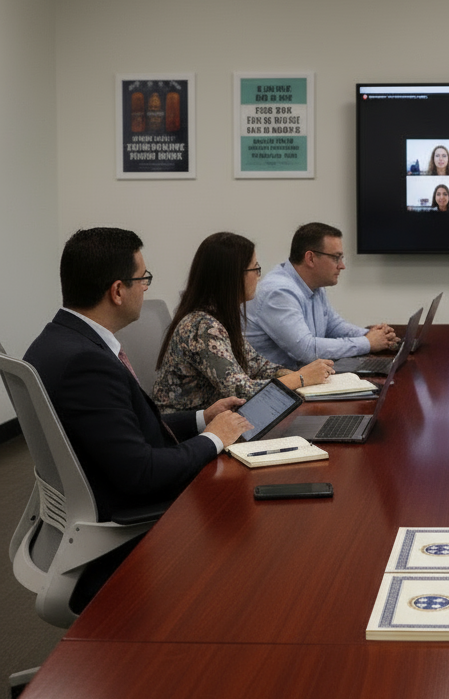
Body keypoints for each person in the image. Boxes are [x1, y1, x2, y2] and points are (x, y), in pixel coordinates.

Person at [23, 228, 252, 606]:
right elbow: (140, 473)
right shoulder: (87, 363)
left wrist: (201, 418)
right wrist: (214, 438)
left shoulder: (58, 340)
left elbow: (120, 428)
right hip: (122, 532)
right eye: (142, 279)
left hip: (79, 519)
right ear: (117, 290)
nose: (146, 287)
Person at [154, 232, 334, 411]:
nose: (258, 276)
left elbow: (258, 365)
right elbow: (241, 392)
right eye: (255, 269)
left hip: (218, 423)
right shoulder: (202, 326)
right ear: (232, 276)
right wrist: (301, 378)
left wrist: (298, 375)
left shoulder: (219, 317)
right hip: (185, 432)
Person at [246, 222, 398, 367]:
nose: (342, 266)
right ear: (310, 258)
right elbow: (306, 350)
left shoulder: (315, 286)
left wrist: (374, 335)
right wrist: (367, 343)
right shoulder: (278, 292)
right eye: (335, 257)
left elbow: (334, 326)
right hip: (273, 386)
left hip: (301, 379)